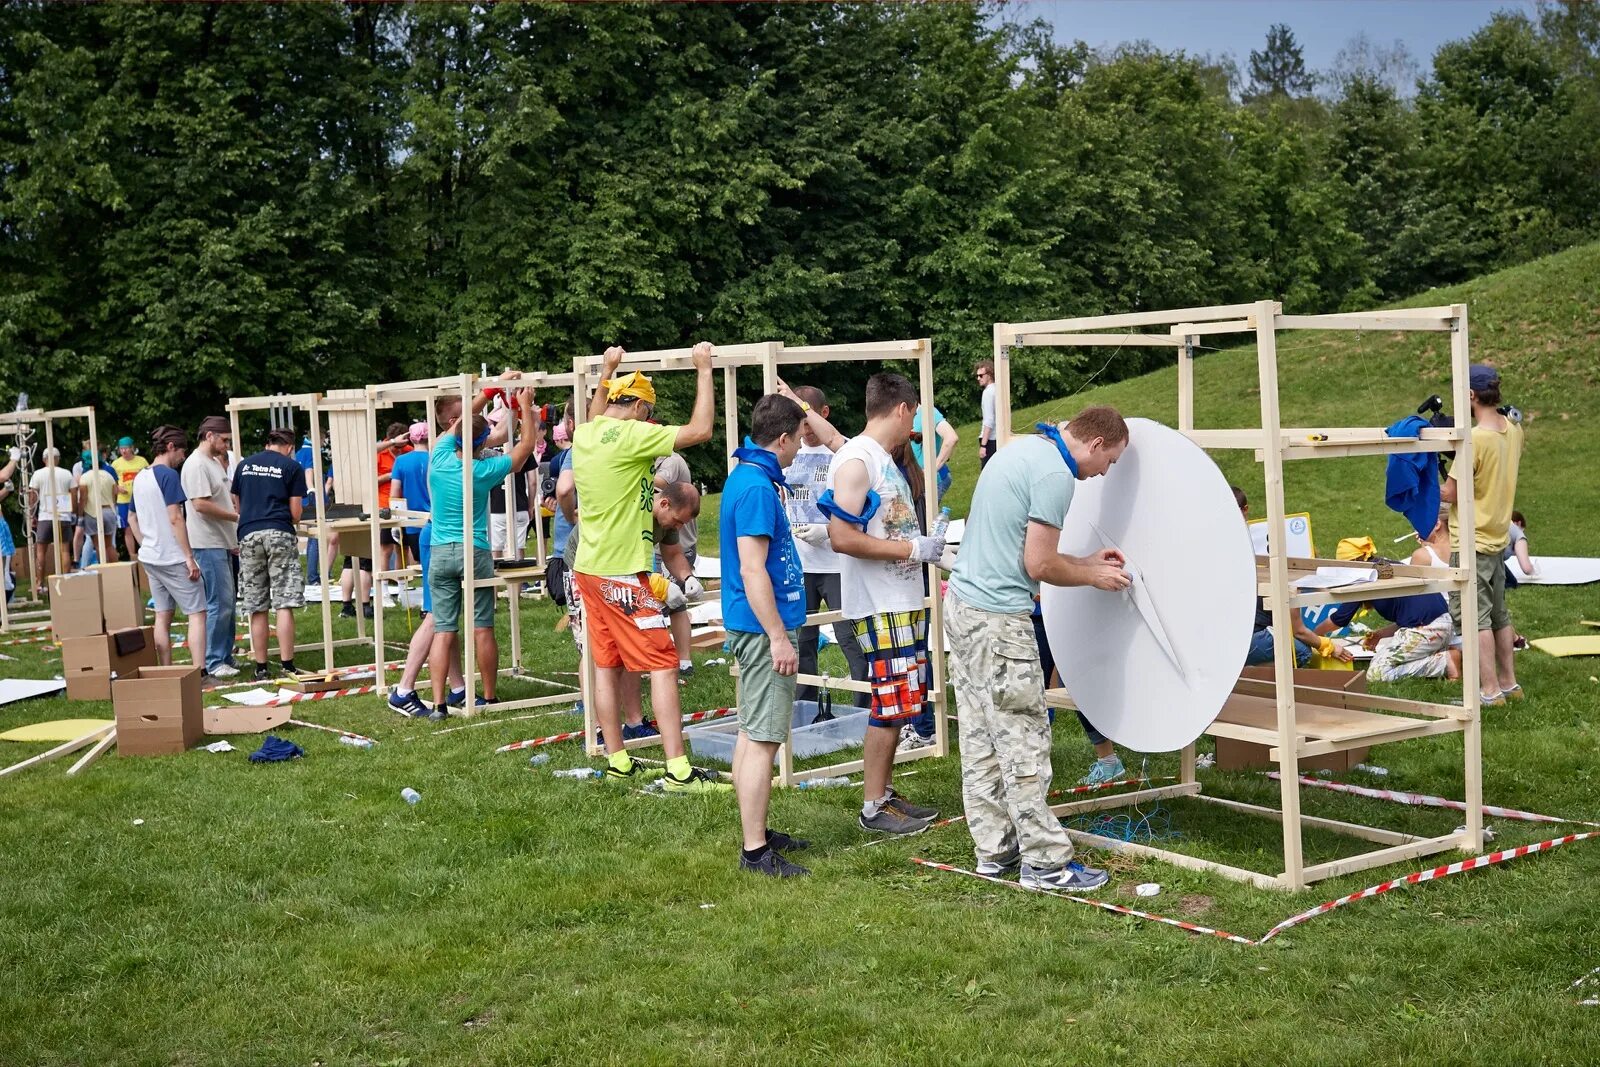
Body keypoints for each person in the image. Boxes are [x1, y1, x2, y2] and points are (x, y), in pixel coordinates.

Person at [945, 407, 1130, 891]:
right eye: (1109, 461)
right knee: (1023, 737)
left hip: (964, 609)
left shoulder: (1022, 450)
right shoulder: (1055, 476)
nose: (1104, 472)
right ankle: (1046, 863)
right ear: (1093, 444)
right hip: (999, 623)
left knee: (981, 736)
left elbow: (1018, 549)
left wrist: (1083, 560)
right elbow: (1040, 564)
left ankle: (995, 850)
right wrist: (1092, 574)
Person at [569, 343, 727, 793]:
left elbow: (598, 412)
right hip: (623, 571)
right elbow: (700, 430)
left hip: (589, 570)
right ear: (638, 406)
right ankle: (679, 771)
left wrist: (607, 369)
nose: (648, 421)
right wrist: (703, 368)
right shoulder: (633, 436)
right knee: (661, 663)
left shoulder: (585, 434)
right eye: (647, 413)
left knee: (606, 665)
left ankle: (617, 758)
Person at [820, 372, 945, 835]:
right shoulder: (858, 461)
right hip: (879, 606)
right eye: (915, 413)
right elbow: (841, 536)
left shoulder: (876, 457)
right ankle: (872, 806)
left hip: (901, 600)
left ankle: (886, 793)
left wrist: (918, 544)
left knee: (902, 702)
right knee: (889, 706)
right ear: (902, 408)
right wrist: (912, 550)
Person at [724, 395, 811, 877]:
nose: (800, 449)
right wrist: (777, 635)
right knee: (763, 738)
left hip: (754, 625)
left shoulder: (747, 476)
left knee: (750, 730)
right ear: (781, 439)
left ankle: (755, 831)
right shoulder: (757, 486)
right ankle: (755, 851)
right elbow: (753, 568)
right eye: (798, 439)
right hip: (762, 629)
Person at [426, 374, 538, 720]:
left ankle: (439, 704)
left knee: (444, 631)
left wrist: (489, 390)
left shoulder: (439, 456)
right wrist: (526, 410)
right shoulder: (483, 469)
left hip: (440, 550)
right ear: (482, 441)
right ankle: (488, 698)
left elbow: (460, 425)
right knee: (482, 626)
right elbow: (524, 449)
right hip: (474, 550)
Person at [776, 383, 870, 706]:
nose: (805, 428)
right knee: (803, 638)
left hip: (835, 563)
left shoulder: (840, 452)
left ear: (823, 413)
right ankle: (804, 703)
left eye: (809, 417)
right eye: (800, 421)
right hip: (801, 563)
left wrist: (826, 533)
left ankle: (865, 704)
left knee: (849, 636)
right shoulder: (790, 452)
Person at [1441, 363, 1525, 705]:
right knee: (1499, 615)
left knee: (1475, 619)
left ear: (1471, 395)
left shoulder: (1473, 440)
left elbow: (1449, 493)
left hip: (1471, 539)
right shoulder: (1513, 430)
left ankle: (1489, 691)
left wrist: (1442, 459)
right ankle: (1509, 684)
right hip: (1497, 536)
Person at [1234, 487, 1354, 668]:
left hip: (1231, 635)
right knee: (1301, 651)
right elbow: (1299, 632)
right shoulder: (1286, 578)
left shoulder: (1251, 563)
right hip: (1243, 641)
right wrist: (1329, 646)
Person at [129, 426, 207, 674]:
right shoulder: (168, 475)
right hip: (172, 557)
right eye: (182, 450)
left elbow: (131, 518)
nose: (183, 457)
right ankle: (200, 673)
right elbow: (176, 518)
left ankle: (165, 671)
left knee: (162, 615)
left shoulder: (140, 476)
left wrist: (146, 543)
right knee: (197, 613)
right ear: (171, 447)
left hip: (151, 557)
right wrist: (189, 557)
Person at [232, 430, 308, 681]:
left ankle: (261, 667)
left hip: (249, 533)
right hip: (279, 532)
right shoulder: (292, 466)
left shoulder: (244, 466)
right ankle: (287, 665)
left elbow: (238, 503)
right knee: (284, 600)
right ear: (289, 447)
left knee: (257, 604)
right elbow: (296, 513)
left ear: (267, 444)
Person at [386, 521, 466, 717]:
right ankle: (403, 690)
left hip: (445, 535)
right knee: (436, 615)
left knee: (447, 617)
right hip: (441, 536)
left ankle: (458, 689)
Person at [182, 417, 240, 678]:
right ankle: (215, 660)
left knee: (228, 601)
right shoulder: (195, 464)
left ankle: (225, 656)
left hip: (220, 541)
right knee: (220, 602)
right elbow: (200, 505)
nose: (227, 445)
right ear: (209, 436)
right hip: (207, 543)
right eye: (224, 439)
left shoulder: (213, 462)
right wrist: (235, 518)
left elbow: (221, 498)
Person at [26, 447, 74, 583]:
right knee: (65, 550)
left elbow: (32, 497)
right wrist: (74, 512)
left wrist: (31, 515)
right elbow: (74, 493)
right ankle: (67, 581)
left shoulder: (38, 474)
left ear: (43, 460)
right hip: (63, 516)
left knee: (41, 551)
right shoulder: (67, 473)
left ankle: (39, 582)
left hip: (45, 516)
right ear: (58, 459)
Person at [389, 422, 433, 567]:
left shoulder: (401, 461)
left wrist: (395, 520)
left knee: (421, 563)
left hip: (412, 520)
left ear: (411, 439)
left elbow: (395, 493)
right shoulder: (436, 458)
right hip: (436, 518)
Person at [75, 451, 120, 568]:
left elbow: (83, 499)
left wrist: (80, 515)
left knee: (98, 545)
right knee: (109, 545)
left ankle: (105, 571)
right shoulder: (108, 475)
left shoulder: (85, 477)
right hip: (109, 512)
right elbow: (115, 494)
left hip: (92, 513)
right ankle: (118, 572)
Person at [910, 403, 958, 500]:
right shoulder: (906, 417)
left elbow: (951, 438)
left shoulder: (928, 412)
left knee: (925, 514)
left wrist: (931, 470)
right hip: (918, 484)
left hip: (935, 480)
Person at [111, 437, 148, 560]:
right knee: (128, 528)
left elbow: (149, 477)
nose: (124, 451)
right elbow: (110, 482)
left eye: (126, 448)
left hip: (140, 499)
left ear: (132, 448)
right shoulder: (116, 464)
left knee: (144, 525)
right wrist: (117, 488)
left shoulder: (142, 461)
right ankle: (132, 555)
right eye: (121, 449)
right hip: (123, 500)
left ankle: (146, 551)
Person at [975, 360, 998, 468]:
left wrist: (983, 445)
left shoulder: (988, 393)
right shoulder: (997, 389)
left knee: (987, 476)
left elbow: (989, 421)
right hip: (998, 439)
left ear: (989, 375)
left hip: (991, 441)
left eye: (981, 375)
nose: (978, 378)